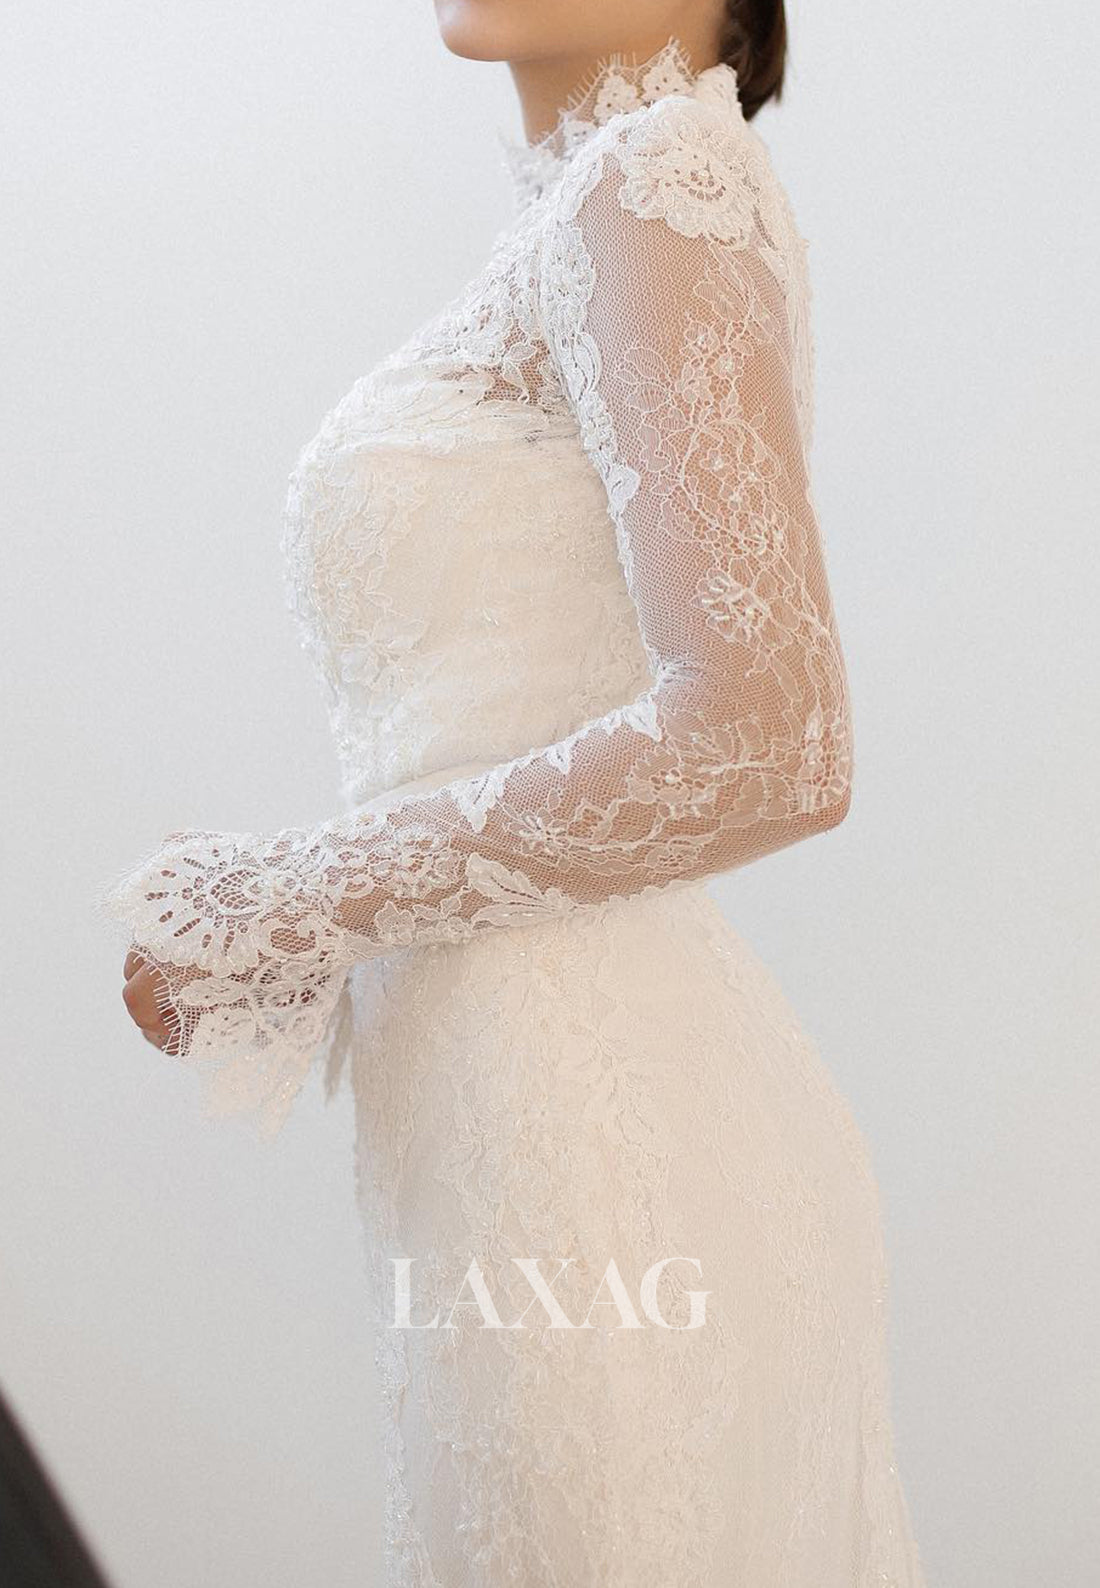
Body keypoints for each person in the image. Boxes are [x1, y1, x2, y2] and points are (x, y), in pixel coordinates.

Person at [106, 3, 929, 1581]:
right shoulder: (608, 200)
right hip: (508, 1122)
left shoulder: (656, 176)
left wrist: (283, 901)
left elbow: (770, 734)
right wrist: (298, 921)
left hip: (593, 1140)